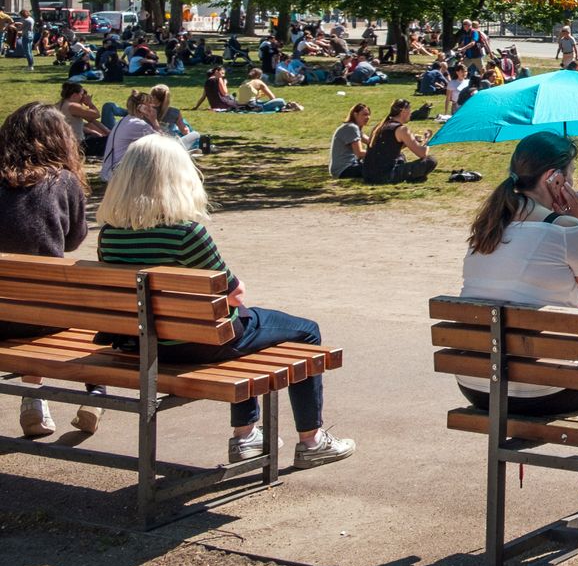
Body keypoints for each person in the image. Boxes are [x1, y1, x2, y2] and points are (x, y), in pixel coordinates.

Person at [99, 135, 354, 467]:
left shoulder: (109, 235)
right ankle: (310, 440)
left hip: (143, 345)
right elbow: (233, 293)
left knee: (239, 325)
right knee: (305, 331)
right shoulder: (187, 234)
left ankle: (248, 436)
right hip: (199, 344)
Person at [457, 131, 578, 418]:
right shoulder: (565, 227)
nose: (574, 184)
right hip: (544, 391)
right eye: (571, 175)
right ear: (554, 178)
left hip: (477, 386)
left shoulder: (488, 226)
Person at [0, 103, 99, 438]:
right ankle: (88, 394)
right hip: (40, 317)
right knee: (90, 308)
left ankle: (36, 402)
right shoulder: (63, 181)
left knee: (31, 299)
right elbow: (73, 241)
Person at [361, 99, 438, 184]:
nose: (411, 113)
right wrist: (427, 139)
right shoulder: (401, 129)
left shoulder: (380, 126)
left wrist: (409, 141)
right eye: (410, 110)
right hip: (386, 176)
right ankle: (414, 177)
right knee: (431, 160)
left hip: (368, 176)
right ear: (403, 111)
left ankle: (415, 177)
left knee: (400, 155)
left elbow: (388, 148)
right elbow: (422, 154)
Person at [99, 88, 160, 185]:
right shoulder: (138, 124)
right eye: (149, 104)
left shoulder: (125, 120)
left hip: (111, 170)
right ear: (141, 108)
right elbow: (161, 142)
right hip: (117, 174)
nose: (153, 107)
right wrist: (154, 120)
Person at [56, 82, 109, 162]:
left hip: (64, 145)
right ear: (74, 95)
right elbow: (96, 115)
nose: (83, 97)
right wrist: (90, 104)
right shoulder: (72, 106)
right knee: (110, 140)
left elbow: (90, 119)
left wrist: (107, 131)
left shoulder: (57, 105)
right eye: (81, 94)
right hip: (78, 147)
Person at [330, 103, 371, 178]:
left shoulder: (354, 128)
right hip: (344, 169)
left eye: (368, 115)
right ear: (355, 114)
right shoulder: (351, 128)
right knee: (378, 168)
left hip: (349, 167)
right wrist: (379, 154)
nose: (368, 117)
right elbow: (359, 153)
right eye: (364, 115)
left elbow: (371, 142)